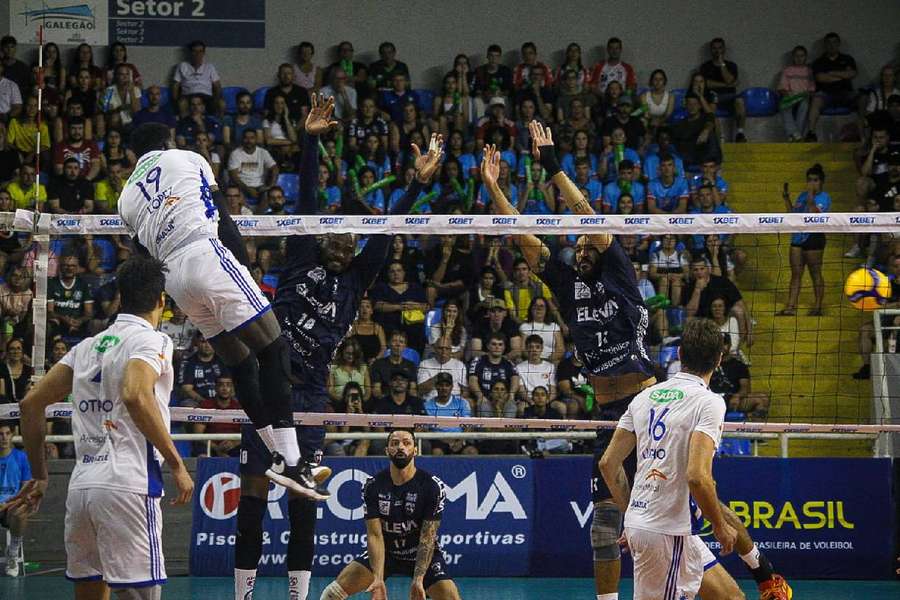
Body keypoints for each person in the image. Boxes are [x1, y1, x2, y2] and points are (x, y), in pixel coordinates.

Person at [233, 100, 445, 600]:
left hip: (309, 395)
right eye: (338, 232)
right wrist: (309, 140)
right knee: (253, 501)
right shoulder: (302, 251)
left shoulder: (356, 281)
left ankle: (297, 596)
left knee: (303, 505)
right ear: (323, 234)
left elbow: (389, 231)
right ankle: (241, 595)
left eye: (352, 238)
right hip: (268, 385)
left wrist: (415, 185)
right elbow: (307, 198)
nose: (344, 241)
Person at [483, 125, 659, 598]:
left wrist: (553, 165)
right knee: (604, 526)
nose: (580, 250)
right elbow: (524, 238)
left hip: (646, 408)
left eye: (586, 246)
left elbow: (588, 216)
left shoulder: (618, 272)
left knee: (662, 518)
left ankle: (735, 569)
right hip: (606, 414)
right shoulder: (567, 283)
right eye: (576, 247)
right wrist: (494, 188)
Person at [118, 115, 323, 498]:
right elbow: (222, 219)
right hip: (206, 254)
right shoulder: (186, 157)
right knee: (274, 346)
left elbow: (142, 256)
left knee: (240, 362)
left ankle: (277, 454)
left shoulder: (125, 197)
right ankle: (294, 462)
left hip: (173, 277)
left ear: (135, 154)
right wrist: (243, 268)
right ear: (168, 139)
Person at [2, 256, 194, 599]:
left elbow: (31, 405)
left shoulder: (87, 346)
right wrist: (178, 464)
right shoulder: (154, 341)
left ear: (120, 295)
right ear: (161, 301)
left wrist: (40, 475)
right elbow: (135, 393)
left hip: (82, 489)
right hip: (129, 485)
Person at [320, 429, 459, 600]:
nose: (400, 447)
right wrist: (378, 578)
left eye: (406, 443)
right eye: (394, 443)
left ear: (415, 450)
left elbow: (427, 536)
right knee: (333, 593)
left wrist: (418, 579)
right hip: (386, 551)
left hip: (418, 552)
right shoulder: (373, 485)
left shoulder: (432, 486)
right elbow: (375, 535)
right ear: (387, 450)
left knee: (450, 596)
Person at [778, 164, 830, 316]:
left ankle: (818, 306)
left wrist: (811, 197)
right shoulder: (802, 195)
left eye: (815, 180)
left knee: (815, 272)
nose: (812, 183)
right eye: (809, 180)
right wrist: (786, 198)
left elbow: (815, 213)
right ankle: (791, 306)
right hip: (798, 237)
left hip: (814, 237)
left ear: (821, 182)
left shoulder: (825, 197)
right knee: (796, 273)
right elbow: (792, 214)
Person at [806, 32, 857, 141]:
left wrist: (831, 73)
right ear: (825, 45)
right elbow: (820, 78)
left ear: (838, 44)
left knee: (862, 98)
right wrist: (842, 75)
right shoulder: (819, 62)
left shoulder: (847, 59)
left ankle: (860, 134)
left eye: (834, 42)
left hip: (845, 93)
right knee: (816, 100)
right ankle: (811, 133)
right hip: (825, 94)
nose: (832, 45)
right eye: (829, 43)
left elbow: (851, 74)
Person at [699, 38, 747, 142]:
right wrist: (726, 85)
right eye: (714, 48)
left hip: (730, 96)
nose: (717, 51)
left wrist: (722, 64)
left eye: (720, 48)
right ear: (711, 50)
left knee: (740, 102)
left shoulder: (731, 65)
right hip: (713, 96)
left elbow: (729, 79)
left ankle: (740, 133)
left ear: (724, 49)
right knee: (711, 105)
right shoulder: (705, 67)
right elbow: (707, 84)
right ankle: (719, 137)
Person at [0, 422, 30, 576]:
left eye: (7, 433)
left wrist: (7, 504)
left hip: (11, 505)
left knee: (21, 512)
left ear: (12, 435)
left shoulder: (21, 457)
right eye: (0, 434)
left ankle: (13, 552)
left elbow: (26, 490)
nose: (4, 437)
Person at [227, 128, 279, 211]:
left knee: (268, 195)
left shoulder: (263, 152)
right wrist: (247, 188)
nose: (249, 140)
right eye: (246, 138)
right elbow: (233, 176)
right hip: (241, 186)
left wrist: (271, 186)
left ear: (256, 139)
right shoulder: (235, 154)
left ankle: (258, 218)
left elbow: (275, 169)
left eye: (252, 138)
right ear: (242, 139)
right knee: (236, 195)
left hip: (260, 187)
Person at [172, 40, 222, 116]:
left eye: (200, 51)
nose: (197, 54)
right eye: (194, 51)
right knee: (182, 103)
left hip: (206, 96)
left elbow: (217, 85)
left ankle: (219, 126)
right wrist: (175, 100)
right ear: (190, 52)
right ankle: (185, 125)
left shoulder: (210, 67)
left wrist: (216, 99)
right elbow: (175, 85)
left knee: (222, 104)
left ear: (203, 53)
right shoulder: (182, 66)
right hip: (188, 95)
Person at [777, 45, 816, 141]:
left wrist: (808, 94)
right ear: (793, 57)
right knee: (784, 105)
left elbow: (812, 89)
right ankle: (796, 134)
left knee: (804, 105)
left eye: (802, 56)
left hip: (803, 97)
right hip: (791, 96)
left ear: (806, 57)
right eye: (796, 56)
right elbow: (782, 88)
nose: (799, 58)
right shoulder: (787, 71)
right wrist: (787, 95)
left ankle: (794, 136)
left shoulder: (809, 71)